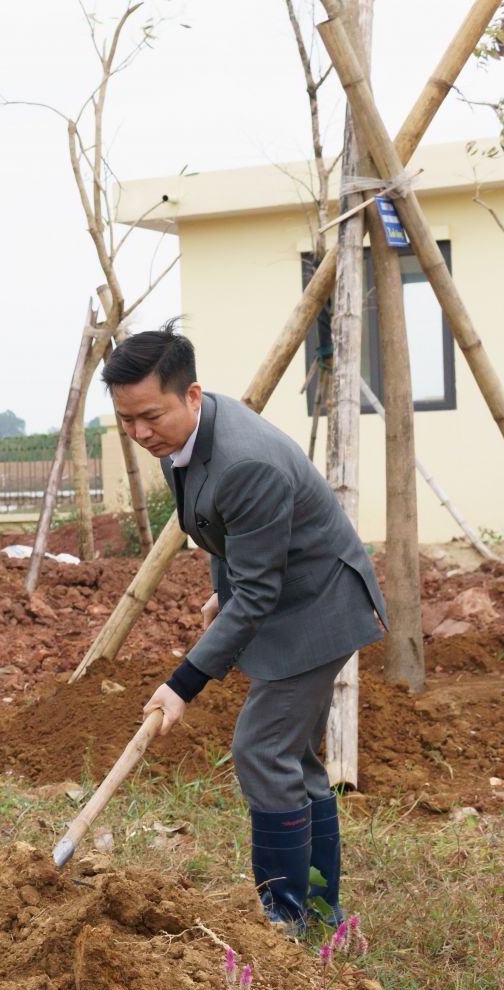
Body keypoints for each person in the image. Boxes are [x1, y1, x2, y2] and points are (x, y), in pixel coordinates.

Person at [103, 325, 386, 937]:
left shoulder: (244, 460)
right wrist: (222, 592)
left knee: (261, 750)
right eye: (126, 420)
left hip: (318, 609)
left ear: (192, 394)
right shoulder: (185, 440)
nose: (141, 433)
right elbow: (223, 532)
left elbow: (258, 589)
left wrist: (182, 684)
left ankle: (284, 918)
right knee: (293, 758)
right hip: (290, 594)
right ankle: (318, 911)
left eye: (150, 416)